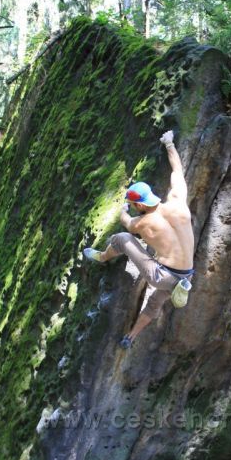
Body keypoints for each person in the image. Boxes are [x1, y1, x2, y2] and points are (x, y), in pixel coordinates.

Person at [84, 130, 194, 348]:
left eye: (134, 205)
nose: (133, 208)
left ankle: (102, 257)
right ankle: (130, 338)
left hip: (162, 275)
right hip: (186, 274)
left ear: (140, 205)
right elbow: (177, 171)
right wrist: (169, 143)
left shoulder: (142, 223)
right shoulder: (178, 201)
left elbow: (127, 224)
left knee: (122, 238)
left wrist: (123, 211)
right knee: (155, 303)